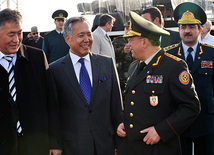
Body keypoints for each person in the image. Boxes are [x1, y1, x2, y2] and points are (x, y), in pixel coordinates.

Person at [116, 11, 200, 155]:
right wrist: (123, 123)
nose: (128, 45)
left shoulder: (174, 66)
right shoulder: (134, 66)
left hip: (159, 148)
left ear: (144, 42)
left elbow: (191, 107)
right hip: (132, 147)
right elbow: (134, 102)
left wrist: (161, 131)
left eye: (131, 40)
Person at [49, 16, 123, 155]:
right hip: (73, 146)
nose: (87, 39)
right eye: (81, 35)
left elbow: (117, 107)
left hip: (105, 145)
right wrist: (55, 144)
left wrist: (119, 144)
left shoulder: (107, 64)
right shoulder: (55, 70)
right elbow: (54, 113)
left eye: (89, 34)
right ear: (68, 39)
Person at [0, 8, 60, 155]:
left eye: (19, 33)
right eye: (11, 34)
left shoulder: (37, 58)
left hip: (35, 145)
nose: (16, 39)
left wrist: (54, 142)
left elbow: (51, 102)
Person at [165, 2, 214, 155]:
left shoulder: (211, 54)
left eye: (192, 27)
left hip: (206, 121)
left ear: (200, 30)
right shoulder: (168, 55)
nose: (187, 31)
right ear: (178, 30)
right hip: (177, 122)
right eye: (183, 27)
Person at [113, 21, 133, 93]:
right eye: (126, 28)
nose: (127, 30)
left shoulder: (138, 40)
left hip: (134, 72)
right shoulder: (118, 40)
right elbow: (113, 54)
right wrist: (123, 51)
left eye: (129, 28)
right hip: (122, 73)